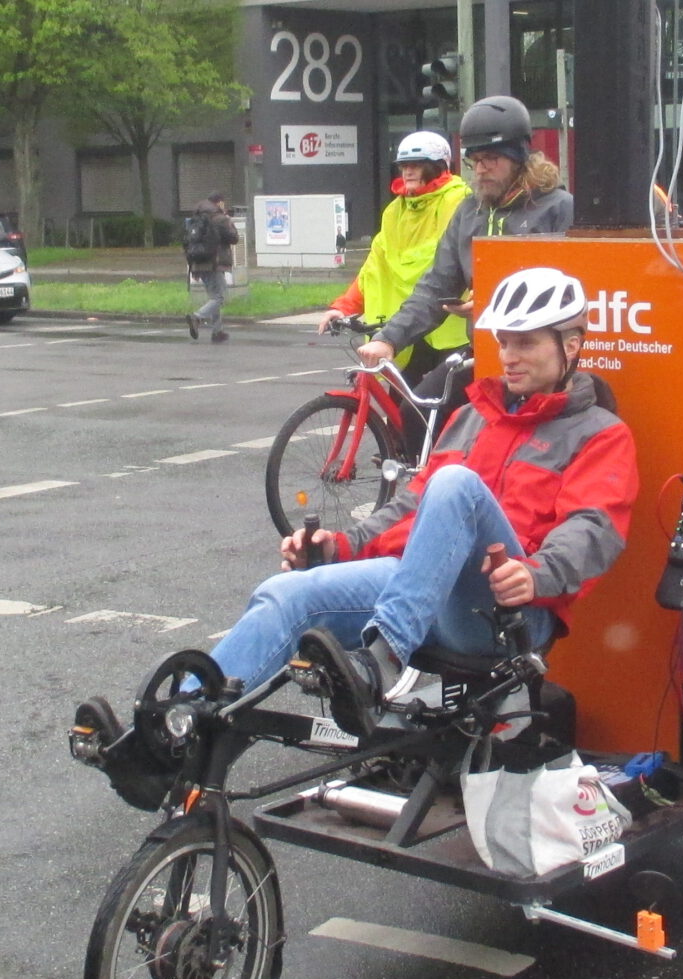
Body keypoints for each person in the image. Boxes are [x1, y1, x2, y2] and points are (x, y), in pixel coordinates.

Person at [72, 266, 639, 808]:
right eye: (505, 342)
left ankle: (383, 661)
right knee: (288, 594)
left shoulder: (600, 434)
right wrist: (339, 548)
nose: (510, 357)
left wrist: (537, 574)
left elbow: (594, 530)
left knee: (457, 486)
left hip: (502, 612)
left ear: (572, 345)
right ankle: (173, 742)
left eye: (528, 343)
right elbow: (411, 505)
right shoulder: (474, 417)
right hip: (418, 591)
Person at [357, 95, 575, 369]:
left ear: (519, 156)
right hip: (481, 351)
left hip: (541, 360)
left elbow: (575, 291)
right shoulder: (470, 211)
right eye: (475, 160)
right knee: (415, 408)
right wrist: (388, 339)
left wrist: (491, 302)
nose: (481, 169)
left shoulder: (558, 207)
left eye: (491, 158)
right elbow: (437, 284)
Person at [318, 130, 471, 380]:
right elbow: (376, 266)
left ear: (437, 166)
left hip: (451, 332)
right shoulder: (395, 211)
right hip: (406, 331)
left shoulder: (460, 201)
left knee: (452, 411)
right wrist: (344, 307)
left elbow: (454, 262)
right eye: (404, 166)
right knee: (402, 413)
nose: (408, 172)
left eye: (417, 165)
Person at [183, 192, 241, 343]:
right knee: (220, 297)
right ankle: (197, 317)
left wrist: (193, 267)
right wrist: (228, 218)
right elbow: (234, 237)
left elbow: (188, 243)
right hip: (214, 263)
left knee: (214, 296)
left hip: (198, 262)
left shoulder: (196, 218)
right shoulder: (220, 218)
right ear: (219, 203)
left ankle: (217, 332)